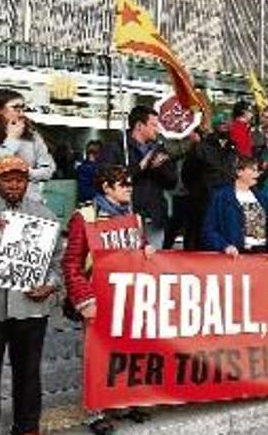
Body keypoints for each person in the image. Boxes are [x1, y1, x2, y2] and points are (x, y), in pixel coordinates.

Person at [61, 164, 153, 434]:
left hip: (129, 296)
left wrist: (146, 249)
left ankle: (125, 400)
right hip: (97, 297)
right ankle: (95, 411)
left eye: (130, 183)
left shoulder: (134, 218)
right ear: (107, 187)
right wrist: (83, 298)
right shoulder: (85, 216)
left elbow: (140, 248)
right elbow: (71, 263)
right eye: (123, 184)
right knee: (98, 355)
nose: (129, 188)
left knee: (129, 352)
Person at [0, 156, 63, 435]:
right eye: (8, 179)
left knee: (29, 373)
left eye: (20, 179)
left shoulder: (45, 215)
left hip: (30, 309)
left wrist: (50, 285)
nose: (15, 185)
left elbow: (59, 263)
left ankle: (27, 427)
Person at [99, 105, 177, 247]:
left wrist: (160, 168)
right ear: (140, 126)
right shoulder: (116, 147)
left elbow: (172, 182)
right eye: (153, 125)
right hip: (125, 216)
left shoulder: (159, 149)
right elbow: (106, 178)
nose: (157, 129)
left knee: (152, 262)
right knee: (127, 261)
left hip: (154, 217)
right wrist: (140, 167)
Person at [202, 156, 268, 258]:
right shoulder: (222, 196)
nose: (257, 174)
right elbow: (209, 230)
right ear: (239, 172)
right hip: (236, 255)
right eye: (253, 170)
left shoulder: (262, 197)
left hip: (261, 254)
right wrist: (225, 246)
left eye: (257, 170)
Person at [0, 89, 56, 201]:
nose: (21, 113)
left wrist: (28, 173)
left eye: (22, 108)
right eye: (16, 108)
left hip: (29, 205)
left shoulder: (32, 136)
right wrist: (12, 139)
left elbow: (49, 169)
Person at [180, 122, 238, 249]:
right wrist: (199, 192)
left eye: (227, 123)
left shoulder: (233, 148)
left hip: (225, 204)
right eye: (221, 123)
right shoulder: (201, 147)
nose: (225, 126)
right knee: (199, 241)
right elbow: (187, 174)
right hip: (202, 203)